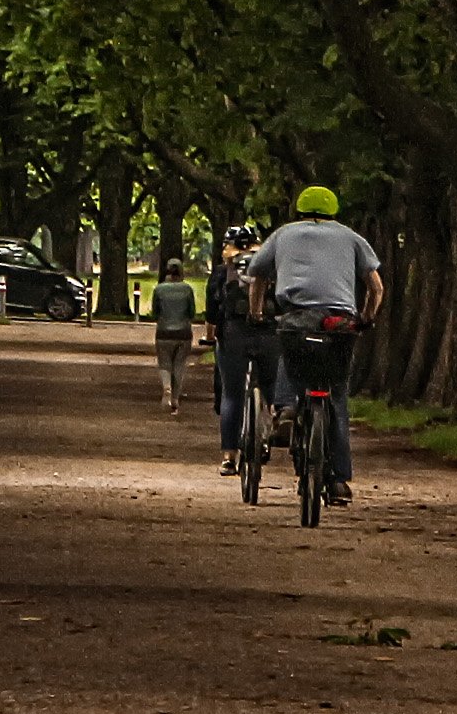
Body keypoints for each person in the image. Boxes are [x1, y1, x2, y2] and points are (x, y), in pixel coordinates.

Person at [246, 186, 383, 505]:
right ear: (334, 210)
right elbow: (376, 287)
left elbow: (258, 276)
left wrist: (256, 312)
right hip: (338, 323)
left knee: (290, 347)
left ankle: (286, 408)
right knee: (335, 397)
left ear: (300, 208)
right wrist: (366, 317)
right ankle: (338, 482)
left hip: (297, 316)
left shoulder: (283, 234)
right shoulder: (351, 237)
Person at [209, 225, 276, 475]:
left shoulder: (222, 271)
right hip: (269, 333)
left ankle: (229, 456)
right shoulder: (270, 268)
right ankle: (266, 434)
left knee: (232, 395)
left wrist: (210, 336)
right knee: (270, 390)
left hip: (234, 335)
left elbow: (212, 310)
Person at [150, 258, 198, 412]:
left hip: (163, 332)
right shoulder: (187, 289)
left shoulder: (159, 289)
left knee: (164, 363)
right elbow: (192, 312)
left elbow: (155, 313)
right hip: (183, 333)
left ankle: (166, 387)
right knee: (179, 365)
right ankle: (175, 399)